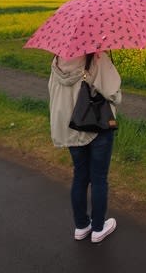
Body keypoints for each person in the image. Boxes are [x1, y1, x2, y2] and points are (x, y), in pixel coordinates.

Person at [48, 51, 121, 243]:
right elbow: (113, 93)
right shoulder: (96, 58)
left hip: (70, 126)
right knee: (98, 178)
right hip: (95, 126)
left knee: (80, 175)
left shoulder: (57, 61)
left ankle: (81, 226)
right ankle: (98, 228)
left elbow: (53, 92)